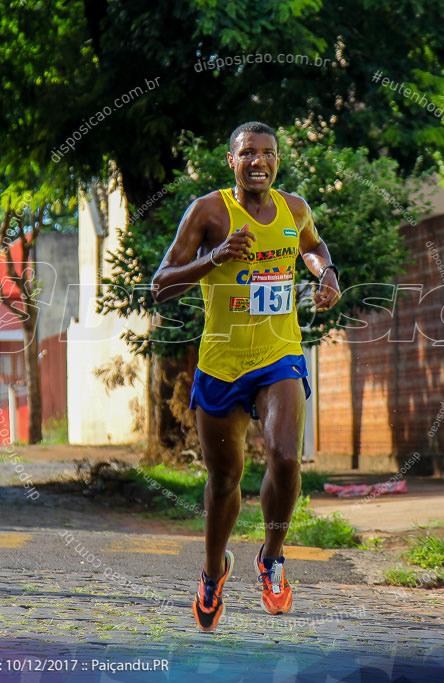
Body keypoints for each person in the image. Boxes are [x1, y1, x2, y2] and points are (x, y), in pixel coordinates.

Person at [151, 122, 341, 631]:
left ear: (278, 160)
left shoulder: (294, 208)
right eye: (248, 153)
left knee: (283, 456)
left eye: (269, 153)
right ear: (231, 161)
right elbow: (161, 285)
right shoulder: (209, 211)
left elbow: (313, 247)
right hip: (222, 363)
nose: (259, 161)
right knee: (224, 480)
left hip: (280, 353)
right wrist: (214, 258)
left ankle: (272, 557)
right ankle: (214, 572)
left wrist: (326, 274)